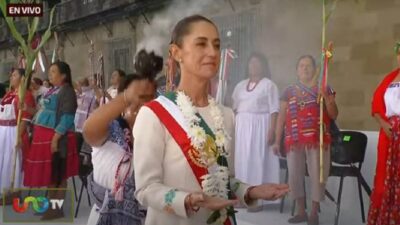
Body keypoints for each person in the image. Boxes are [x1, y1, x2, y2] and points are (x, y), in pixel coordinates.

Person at [133, 15, 289, 225]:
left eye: (216, 45)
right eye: (201, 44)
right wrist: (187, 200)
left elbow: (226, 179)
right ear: (176, 53)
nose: (212, 52)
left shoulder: (226, 115)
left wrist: (251, 191)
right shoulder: (154, 114)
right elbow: (145, 189)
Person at [83, 50, 160, 225]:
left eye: (152, 98)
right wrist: (126, 97)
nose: (147, 104)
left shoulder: (158, 131)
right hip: (107, 215)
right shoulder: (111, 127)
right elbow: (88, 131)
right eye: (141, 97)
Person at [272, 55, 338, 225]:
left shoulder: (324, 88)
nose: (305, 68)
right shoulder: (288, 91)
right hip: (293, 140)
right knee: (294, 175)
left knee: (318, 175)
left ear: (315, 69)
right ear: (297, 70)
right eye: (301, 66)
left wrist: (329, 101)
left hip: (318, 139)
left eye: (308, 66)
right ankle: (301, 211)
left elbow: (334, 115)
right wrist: (276, 140)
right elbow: (281, 117)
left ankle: (314, 213)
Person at [24, 61, 79, 220]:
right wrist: (27, 109)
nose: (50, 74)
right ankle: (50, 206)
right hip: (45, 138)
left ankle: (57, 208)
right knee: (51, 175)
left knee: (59, 174)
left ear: (63, 75)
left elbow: (68, 117)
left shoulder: (67, 91)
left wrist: (55, 138)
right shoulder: (53, 90)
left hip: (59, 138)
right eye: (50, 71)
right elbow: (42, 111)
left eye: (54, 71)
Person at [231, 52, 280, 209]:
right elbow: (234, 108)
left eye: (257, 63)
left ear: (263, 66)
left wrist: (272, 129)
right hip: (242, 127)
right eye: (251, 63)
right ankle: (241, 196)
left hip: (260, 127)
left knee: (257, 162)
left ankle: (257, 199)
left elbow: (274, 110)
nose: (254, 66)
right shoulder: (240, 85)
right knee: (241, 162)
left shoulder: (269, 85)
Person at [367, 42, 400, 225]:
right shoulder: (390, 78)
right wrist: (383, 123)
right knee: (385, 179)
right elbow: (376, 105)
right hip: (388, 135)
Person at [0, 68, 35, 202]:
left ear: (22, 78)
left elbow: (26, 119)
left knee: (11, 161)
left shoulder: (26, 95)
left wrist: (18, 136)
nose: (11, 76)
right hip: (2, 131)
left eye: (14, 75)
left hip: (12, 131)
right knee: (3, 161)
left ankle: (13, 193)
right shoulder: (10, 93)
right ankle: (4, 189)